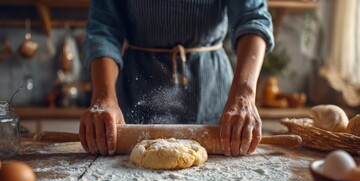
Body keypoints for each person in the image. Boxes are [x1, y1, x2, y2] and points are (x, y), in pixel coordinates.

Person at [80, 0, 274, 157]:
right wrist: (103, 97)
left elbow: (253, 19)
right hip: (136, 88)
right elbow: (103, 30)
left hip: (211, 92)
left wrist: (244, 93)